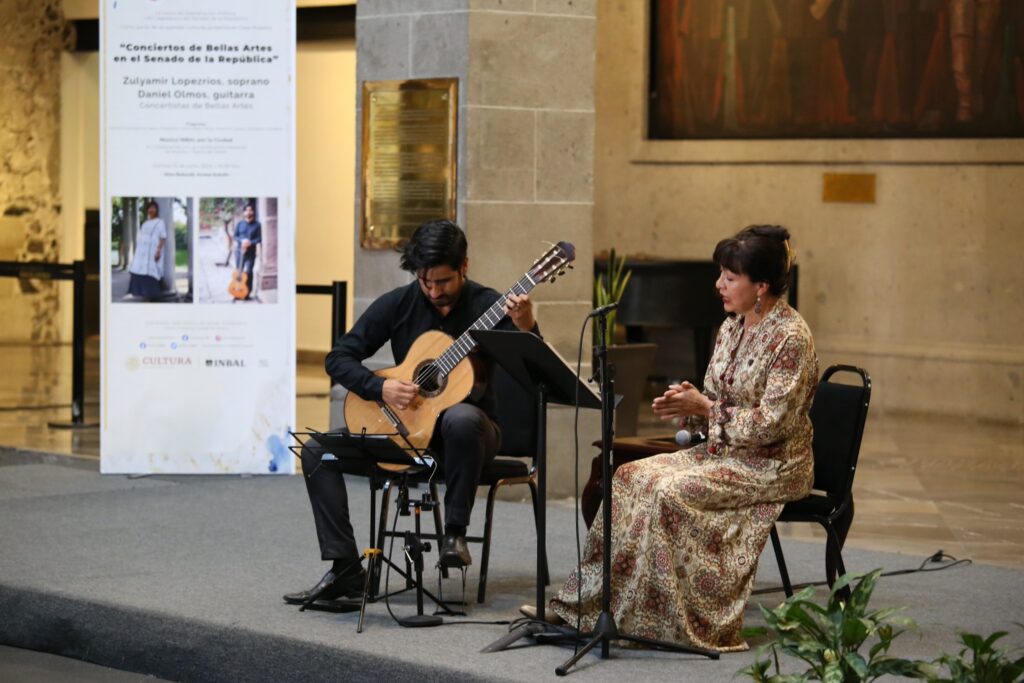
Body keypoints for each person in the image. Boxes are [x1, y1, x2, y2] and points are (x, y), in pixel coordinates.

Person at [543, 225, 818, 652]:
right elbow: (721, 396)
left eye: (729, 277)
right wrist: (691, 403)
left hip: (771, 464)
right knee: (629, 477)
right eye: (721, 274)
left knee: (669, 491)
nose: (718, 285)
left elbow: (770, 424)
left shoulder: (791, 338)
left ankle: (655, 619)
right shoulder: (732, 326)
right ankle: (590, 606)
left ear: (760, 285)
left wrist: (707, 409)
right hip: (722, 451)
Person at [284, 219, 539, 606]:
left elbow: (535, 371)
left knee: (461, 418)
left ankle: (453, 535)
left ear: (464, 267)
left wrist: (527, 326)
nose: (434, 291)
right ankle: (346, 569)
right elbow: (338, 358)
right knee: (319, 452)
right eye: (426, 282)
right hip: (405, 434)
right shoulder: (400, 303)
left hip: (470, 439)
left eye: (444, 282)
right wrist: (380, 386)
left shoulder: (489, 305)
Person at [126, 200, 166, 301]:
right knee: (139, 271)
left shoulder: (160, 222)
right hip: (141, 252)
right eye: (150, 208)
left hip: (152, 251)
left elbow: (162, 237)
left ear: (157, 210)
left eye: (153, 208)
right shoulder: (145, 223)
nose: (151, 209)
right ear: (147, 210)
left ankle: (151, 296)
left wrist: (158, 251)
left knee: (151, 272)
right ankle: (143, 295)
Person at [233, 203, 261, 300]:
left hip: (250, 252)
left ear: (253, 212)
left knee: (249, 272)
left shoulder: (257, 225)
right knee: (239, 273)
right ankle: (237, 291)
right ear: (244, 212)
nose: (248, 212)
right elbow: (235, 236)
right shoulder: (240, 224)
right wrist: (242, 241)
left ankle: (247, 293)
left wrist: (250, 242)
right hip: (239, 252)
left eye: (250, 210)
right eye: (247, 210)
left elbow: (259, 238)